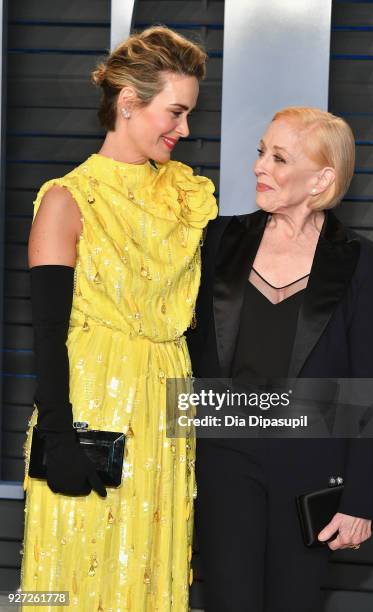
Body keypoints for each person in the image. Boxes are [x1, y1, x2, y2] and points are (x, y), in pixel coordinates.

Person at [21, 26, 217, 611]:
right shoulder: (67, 198)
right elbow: (47, 330)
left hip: (165, 410)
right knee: (77, 574)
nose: (184, 130)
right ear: (129, 103)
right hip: (90, 413)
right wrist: (58, 434)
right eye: (175, 113)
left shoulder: (184, 193)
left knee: (154, 575)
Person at [187, 107, 373, 612]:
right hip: (225, 460)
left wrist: (360, 497)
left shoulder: (361, 260)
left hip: (312, 468)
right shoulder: (217, 240)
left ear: (322, 178)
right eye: (260, 152)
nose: (259, 166)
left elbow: (366, 381)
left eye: (279, 157)